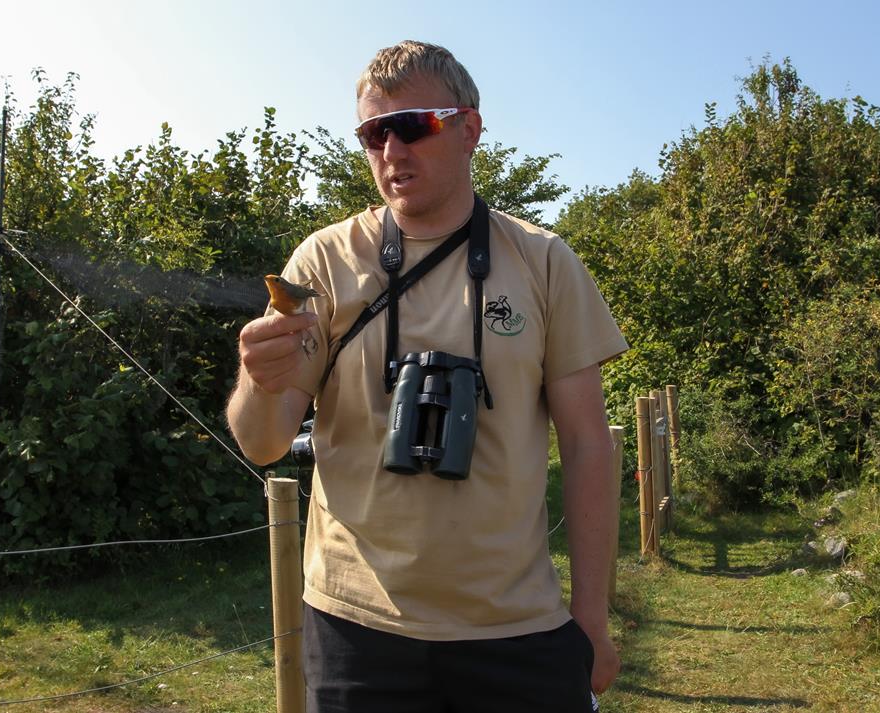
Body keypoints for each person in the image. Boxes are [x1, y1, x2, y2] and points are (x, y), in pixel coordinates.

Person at [227, 40, 627, 713]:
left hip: (516, 625)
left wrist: (591, 615)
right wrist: (258, 381)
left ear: (469, 129)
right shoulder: (323, 262)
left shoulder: (543, 261)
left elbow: (589, 443)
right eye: (373, 133)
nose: (392, 151)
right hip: (355, 627)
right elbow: (262, 443)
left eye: (413, 126)